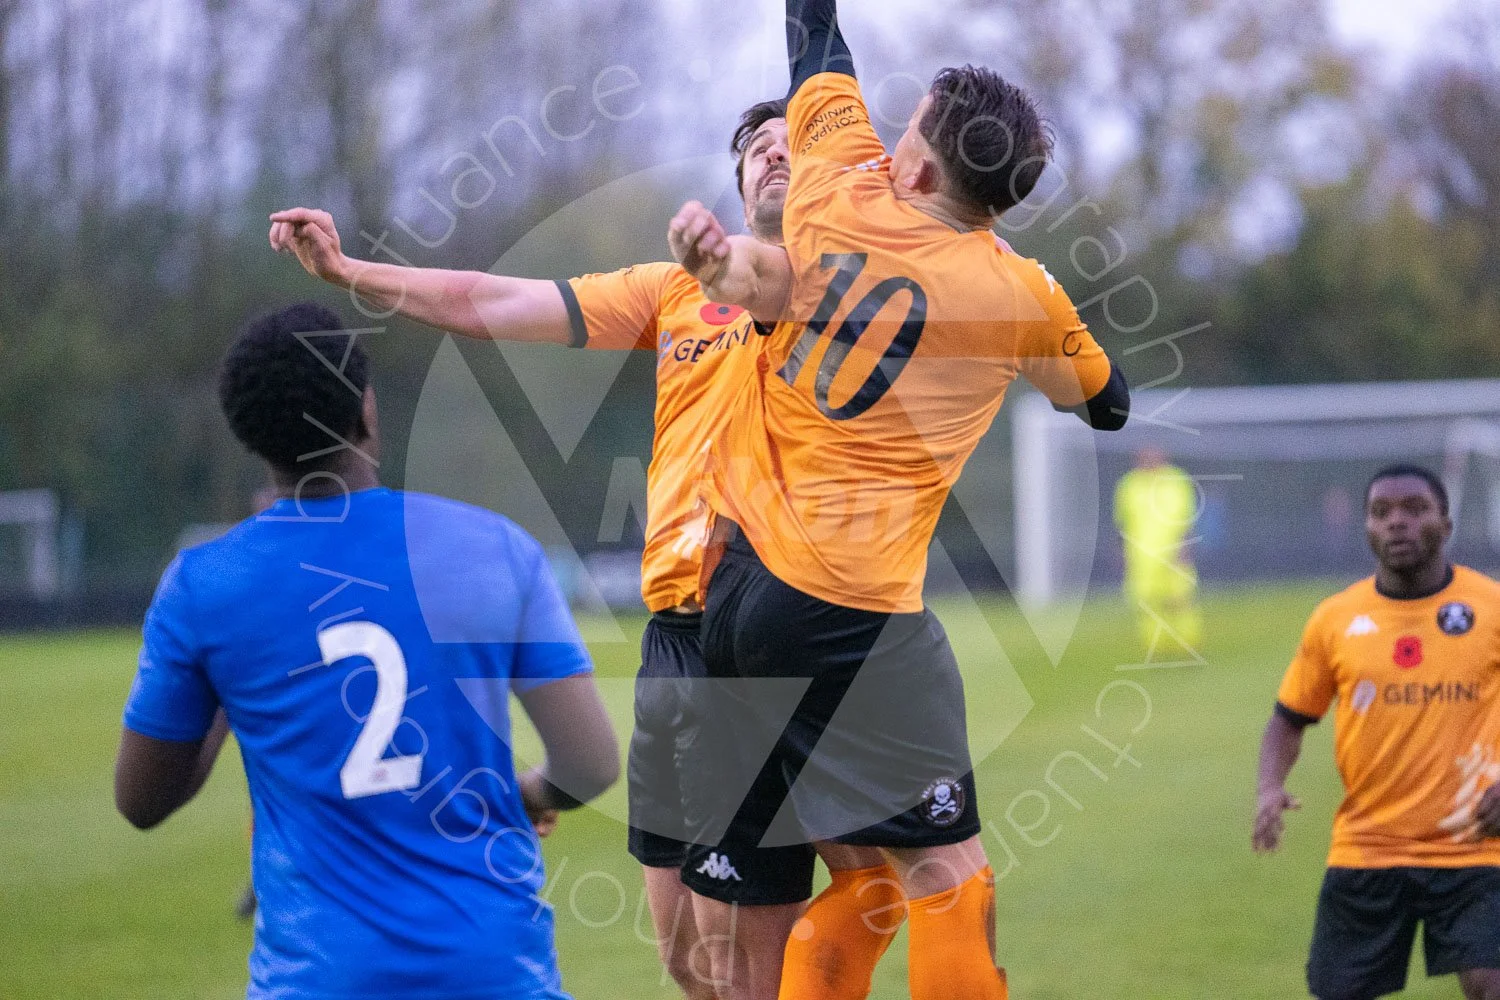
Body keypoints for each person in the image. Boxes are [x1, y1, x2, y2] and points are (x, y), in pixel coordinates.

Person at [267, 99, 897, 1000]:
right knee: (687, 956)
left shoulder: (849, 286)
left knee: (747, 958)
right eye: (756, 149)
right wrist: (347, 269)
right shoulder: (678, 292)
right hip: (673, 639)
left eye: (792, 145)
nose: (772, 156)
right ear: (735, 187)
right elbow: (494, 300)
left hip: (768, 624)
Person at [666, 2, 1129, 997]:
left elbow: (815, 36)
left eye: (906, 133)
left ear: (916, 171)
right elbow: (1107, 405)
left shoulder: (832, 184)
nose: (888, 146)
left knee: (867, 879)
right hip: (851, 611)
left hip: (733, 589)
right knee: (949, 879)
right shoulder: (1023, 295)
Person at [113, 303, 618, 1000]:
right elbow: (590, 764)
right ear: (367, 411)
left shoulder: (204, 585)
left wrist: (229, 676)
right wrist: (526, 794)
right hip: (495, 974)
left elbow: (141, 800)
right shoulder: (497, 546)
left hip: (319, 980)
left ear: (250, 436)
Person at [1253, 464, 1500, 1000]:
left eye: (1414, 509)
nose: (1396, 522)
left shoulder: (1492, 608)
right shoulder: (1335, 619)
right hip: (1368, 847)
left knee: (1492, 983)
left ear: (1446, 525)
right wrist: (1269, 788)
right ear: (1366, 527)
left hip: (1475, 847)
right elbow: (1288, 719)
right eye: (1381, 512)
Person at [1113, 446, 1201, 652]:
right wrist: (1121, 552)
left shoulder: (1177, 480)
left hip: (1174, 552)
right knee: (1147, 603)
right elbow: (1122, 522)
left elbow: (1188, 517)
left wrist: (1186, 547)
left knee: (1180, 599)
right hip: (1141, 557)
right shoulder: (1129, 484)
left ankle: (1188, 642)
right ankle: (1155, 645)